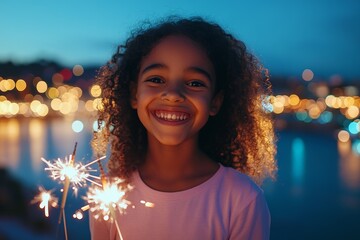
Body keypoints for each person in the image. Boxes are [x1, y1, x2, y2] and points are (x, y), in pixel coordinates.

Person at [90, 16, 277, 240]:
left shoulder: (241, 199)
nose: (173, 94)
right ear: (133, 94)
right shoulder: (108, 192)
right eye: (157, 79)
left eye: (195, 83)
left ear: (215, 102)